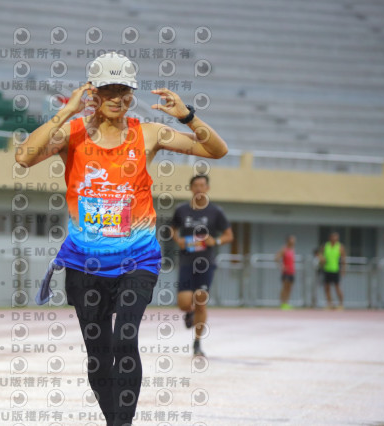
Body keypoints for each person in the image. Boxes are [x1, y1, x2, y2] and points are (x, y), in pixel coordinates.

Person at [18, 51, 228, 426]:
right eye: (109, 90)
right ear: (93, 93)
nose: (118, 98)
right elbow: (24, 156)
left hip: (137, 260)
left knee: (124, 339)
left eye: (124, 90)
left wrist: (187, 116)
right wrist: (65, 112)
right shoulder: (72, 133)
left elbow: (217, 150)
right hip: (84, 264)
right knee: (99, 354)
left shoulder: (148, 133)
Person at [171, 174, 233, 356]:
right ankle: (189, 313)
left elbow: (229, 235)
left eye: (202, 185)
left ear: (207, 188)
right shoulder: (182, 210)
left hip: (206, 263)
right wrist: (178, 240)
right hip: (186, 262)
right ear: (191, 188)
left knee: (200, 300)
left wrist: (216, 241)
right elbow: (172, 229)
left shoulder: (215, 211)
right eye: (196, 185)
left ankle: (197, 343)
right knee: (184, 303)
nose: (199, 188)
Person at [317, 232, 346, 310]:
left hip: (335, 270)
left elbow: (343, 258)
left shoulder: (339, 246)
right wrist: (321, 259)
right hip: (327, 269)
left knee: (337, 287)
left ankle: (341, 304)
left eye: (336, 237)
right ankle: (329, 304)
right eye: (333, 237)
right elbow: (320, 254)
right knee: (327, 288)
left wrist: (343, 269)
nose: (335, 239)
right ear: (330, 238)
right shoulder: (326, 246)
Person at [276, 235, 296, 310]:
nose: (293, 241)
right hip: (286, 272)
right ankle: (282, 303)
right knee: (285, 287)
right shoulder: (284, 249)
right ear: (288, 241)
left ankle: (286, 303)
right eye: (292, 240)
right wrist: (282, 266)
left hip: (292, 271)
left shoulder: (292, 249)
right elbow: (276, 258)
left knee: (289, 288)